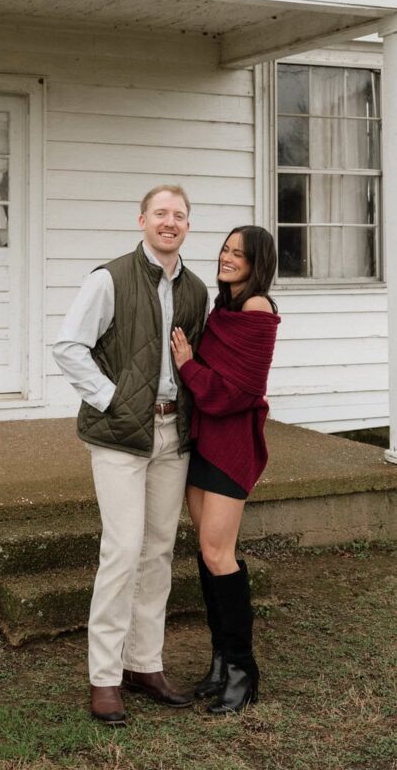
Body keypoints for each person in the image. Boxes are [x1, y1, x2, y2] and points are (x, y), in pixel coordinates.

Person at [53, 185, 208, 727]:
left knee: (159, 550)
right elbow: (69, 346)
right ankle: (104, 677)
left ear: (188, 225)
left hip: (172, 435)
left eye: (179, 215)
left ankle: (145, 664)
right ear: (142, 219)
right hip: (119, 435)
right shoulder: (109, 278)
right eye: (161, 213)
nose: (170, 222)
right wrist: (111, 398)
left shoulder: (196, 289)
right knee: (121, 550)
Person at [170, 225, 280, 715]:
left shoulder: (257, 310)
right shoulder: (224, 309)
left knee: (219, 553)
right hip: (205, 439)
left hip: (230, 445)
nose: (228, 257)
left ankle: (243, 670)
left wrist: (189, 366)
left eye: (240, 254)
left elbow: (238, 392)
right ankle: (220, 661)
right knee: (212, 551)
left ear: (258, 264)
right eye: (225, 249)